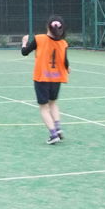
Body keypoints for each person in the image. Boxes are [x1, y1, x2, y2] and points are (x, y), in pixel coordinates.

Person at [21, 16, 69, 145]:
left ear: (48, 26)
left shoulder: (39, 39)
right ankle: (58, 128)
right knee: (53, 103)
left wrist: (24, 42)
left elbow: (25, 52)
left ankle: (53, 134)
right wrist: (68, 68)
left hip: (42, 78)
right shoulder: (63, 43)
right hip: (56, 78)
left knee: (43, 107)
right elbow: (65, 61)